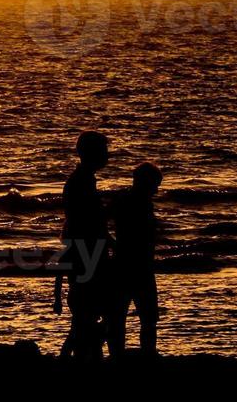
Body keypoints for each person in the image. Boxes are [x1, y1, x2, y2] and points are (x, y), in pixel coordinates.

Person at [53, 131, 110, 362]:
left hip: (85, 253)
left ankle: (78, 357)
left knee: (86, 317)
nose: (107, 156)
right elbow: (86, 222)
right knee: (86, 317)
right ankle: (70, 358)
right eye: (104, 151)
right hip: (87, 255)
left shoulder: (82, 180)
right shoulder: (81, 182)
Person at [109, 161, 163, 357]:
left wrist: (113, 244)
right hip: (138, 266)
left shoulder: (121, 200)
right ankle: (146, 354)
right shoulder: (138, 203)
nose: (156, 190)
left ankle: (118, 355)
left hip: (124, 263)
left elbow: (101, 223)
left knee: (119, 316)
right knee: (146, 317)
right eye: (155, 185)